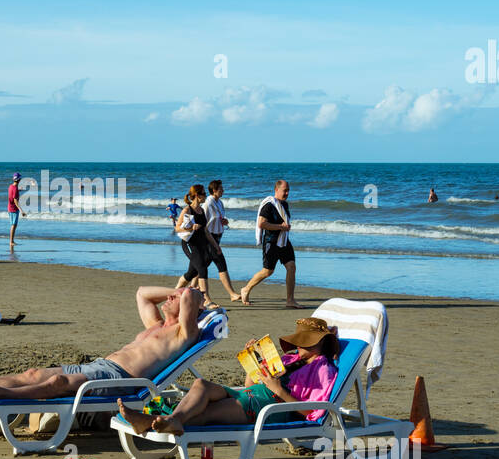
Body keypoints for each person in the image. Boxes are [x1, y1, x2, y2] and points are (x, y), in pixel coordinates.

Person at [0, 286, 203, 403]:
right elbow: (142, 292)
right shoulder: (156, 325)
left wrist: (188, 295)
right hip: (101, 367)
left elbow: (191, 294)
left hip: (121, 379)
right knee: (34, 375)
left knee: (57, 384)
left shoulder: (183, 333)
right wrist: (176, 292)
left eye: (175, 297)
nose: (168, 296)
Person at [118, 316, 339, 436]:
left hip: (271, 407)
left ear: (320, 343)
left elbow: (312, 412)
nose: (298, 345)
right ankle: (170, 420)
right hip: (252, 395)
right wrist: (255, 363)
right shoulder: (289, 360)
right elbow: (249, 384)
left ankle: (149, 422)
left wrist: (278, 389)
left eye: (305, 341)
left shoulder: (323, 370)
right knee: (201, 384)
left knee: (207, 413)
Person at [238, 179, 299, 308]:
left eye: (288, 190)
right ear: (276, 190)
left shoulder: (284, 205)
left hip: (283, 241)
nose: (287, 193)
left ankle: (290, 300)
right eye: (285, 190)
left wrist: (285, 227)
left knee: (291, 267)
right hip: (271, 241)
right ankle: (246, 289)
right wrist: (281, 227)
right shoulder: (269, 205)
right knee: (267, 271)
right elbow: (262, 224)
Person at [173, 184, 220, 309]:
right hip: (189, 244)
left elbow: (205, 231)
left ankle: (174, 293)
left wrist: (216, 246)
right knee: (202, 269)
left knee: (191, 273)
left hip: (201, 244)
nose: (206, 196)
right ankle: (206, 300)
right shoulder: (187, 210)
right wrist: (190, 227)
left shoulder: (202, 210)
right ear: (197, 196)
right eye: (204, 194)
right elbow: (177, 228)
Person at [202, 179, 240, 302]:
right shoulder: (208, 203)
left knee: (199, 268)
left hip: (218, 236)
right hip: (209, 238)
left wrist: (224, 221)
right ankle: (232, 293)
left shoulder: (220, 202)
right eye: (221, 189)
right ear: (214, 190)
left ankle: (185, 288)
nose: (223, 191)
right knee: (221, 264)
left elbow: (220, 218)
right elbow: (202, 221)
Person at [7, 172, 26, 248]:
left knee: (13, 225)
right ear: (19, 180)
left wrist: (19, 190)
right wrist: (21, 210)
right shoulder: (15, 189)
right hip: (14, 209)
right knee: (14, 225)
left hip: (9, 208)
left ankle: (11, 241)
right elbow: (15, 201)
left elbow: (13, 192)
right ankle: (11, 242)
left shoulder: (11, 186)